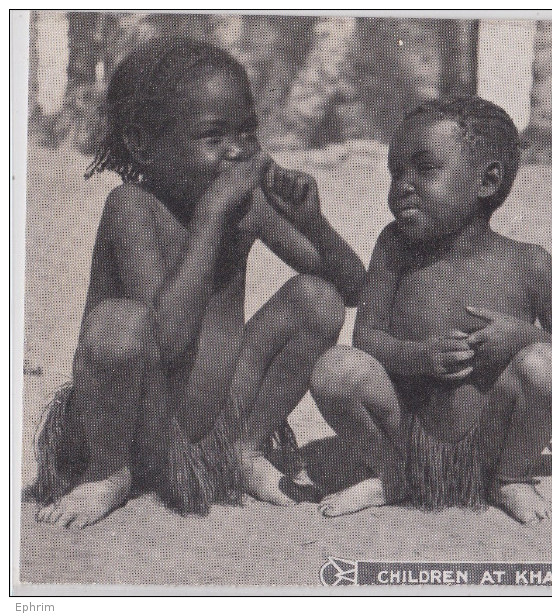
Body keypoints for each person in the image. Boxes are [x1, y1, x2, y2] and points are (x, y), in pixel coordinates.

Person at [28, 38, 366, 529]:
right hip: (134, 417)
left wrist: (313, 222)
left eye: (247, 134)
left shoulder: (246, 207)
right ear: (144, 144)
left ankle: (244, 450)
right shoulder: (132, 207)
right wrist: (210, 217)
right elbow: (165, 339)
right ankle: (109, 473)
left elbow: (353, 290)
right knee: (118, 323)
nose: (237, 152)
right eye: (213, 137)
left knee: (317, 299)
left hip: (217, 414)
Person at [311, 96, 552, 524]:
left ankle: (509, 477)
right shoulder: (394, 249)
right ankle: (392, 473)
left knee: (546, 366)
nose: (403, 185)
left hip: (490, 437)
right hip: (411, 433)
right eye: (395, 172)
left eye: (425, 169)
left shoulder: (530, 263)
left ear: (487, 180)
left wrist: (523, 337)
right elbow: (364, 338)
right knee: (336, 369)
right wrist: (420, 357)